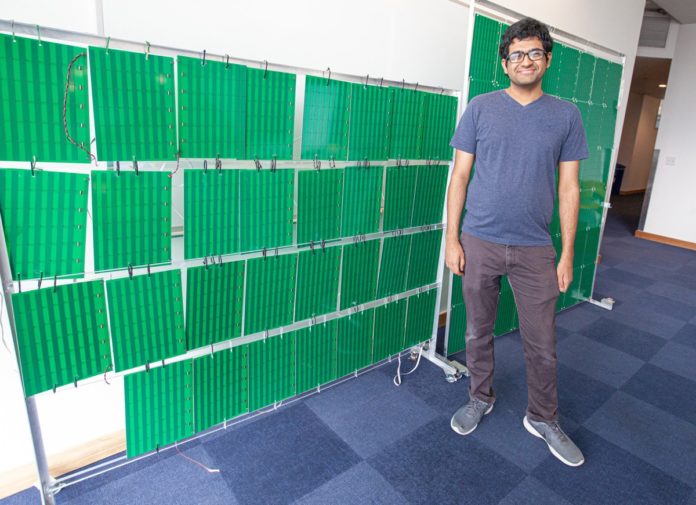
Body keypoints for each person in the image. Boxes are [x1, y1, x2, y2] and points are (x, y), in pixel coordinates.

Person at [445, 17, 588, 467]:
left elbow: (569, 188)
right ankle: (479, 396)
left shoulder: (566, 115)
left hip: (535, 248)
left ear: (547, 59)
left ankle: (543, 417)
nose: (526, 60)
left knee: (542, 342)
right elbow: (460, 176)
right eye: (517, 54)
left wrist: (567, 253)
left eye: (535, 53)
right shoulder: (481, 108)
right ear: (504, 63)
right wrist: (452, 238)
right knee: (477, 330)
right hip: (479, 240)